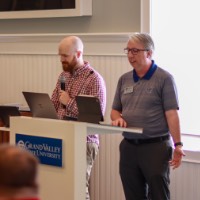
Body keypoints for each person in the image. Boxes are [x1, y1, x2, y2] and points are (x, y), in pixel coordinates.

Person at [110, 32, 185, 200]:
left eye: (135, 51)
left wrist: (178, 144)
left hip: (155, 147)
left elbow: (172, 114)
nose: (130, 55)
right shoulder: (124, 79)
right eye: (128, 50)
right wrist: (117, 118)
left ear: (149, 53)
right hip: (129, 147)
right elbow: (115, 110)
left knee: (158, 195)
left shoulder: (165, 78)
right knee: (133, 195)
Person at [51, 36, 106, 200]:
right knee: (62, 188)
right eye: (60, 55)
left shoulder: (93, 79)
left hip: (84, 140)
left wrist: (69, 102)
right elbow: (54, 104)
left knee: (79, 189)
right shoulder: (63, 76)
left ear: (78, 53)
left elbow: (95, 118)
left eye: (65, 56)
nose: (62, 60)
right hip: (62, 137)